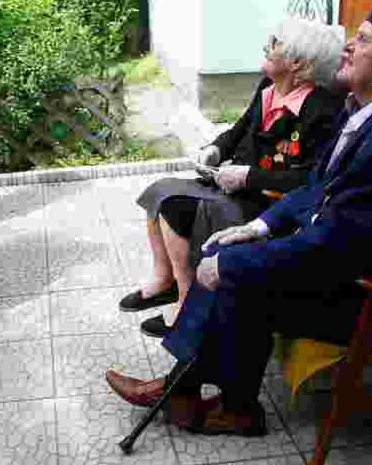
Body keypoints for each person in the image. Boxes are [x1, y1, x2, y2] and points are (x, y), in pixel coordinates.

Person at [106, 4, 372, 436]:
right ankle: (196, 395)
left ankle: (210, 400)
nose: (348, 45)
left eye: (364, 39)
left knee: (235, 273)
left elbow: (334, 247)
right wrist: (258, 226)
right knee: (229, 248)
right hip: (351, 263)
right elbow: (316, 185)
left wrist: (235, 261)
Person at [126, 17, 345, 338]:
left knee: (174, 207)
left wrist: (248, 177)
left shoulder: (323, 109)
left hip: (265, 203)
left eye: (275, 43)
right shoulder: (268, 87)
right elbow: (239, 128)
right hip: (234, 186)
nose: (266, 46)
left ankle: (186, 305)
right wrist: (214, 149)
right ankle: (164, 281)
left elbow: (309, 179)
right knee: (158, 192)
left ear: (297, 63)